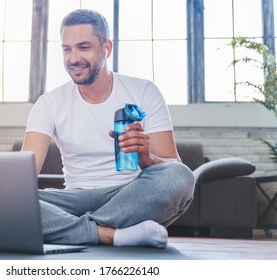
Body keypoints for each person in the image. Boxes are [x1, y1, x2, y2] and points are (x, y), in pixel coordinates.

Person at [21, 9, 195, 248]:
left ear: (107, 48)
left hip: (130, 195)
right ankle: (111, 234)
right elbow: (23, 176)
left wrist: (148, 159)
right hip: (74, 199)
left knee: (181, 176)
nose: (73, 59)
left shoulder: (144, 91)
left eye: (83, 47)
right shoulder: (49, 103)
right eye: (66, 49)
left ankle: (70, 229)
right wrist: (6, 197)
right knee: (2, 201)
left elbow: (173, 166)